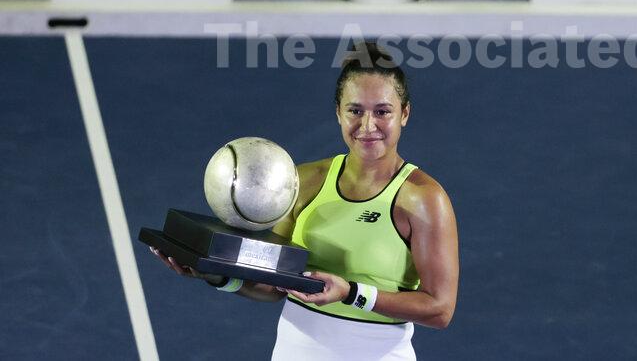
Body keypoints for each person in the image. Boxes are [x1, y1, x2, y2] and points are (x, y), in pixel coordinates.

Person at [151, 42, 459, 360]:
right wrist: (215, 274)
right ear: (338, 112)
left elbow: (440, 309)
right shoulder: (305, 180)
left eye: (382, 112)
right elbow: (273, 286)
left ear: (404, 114)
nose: (368, 126)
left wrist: (352, 293)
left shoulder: (423, 199)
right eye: (355, 111)